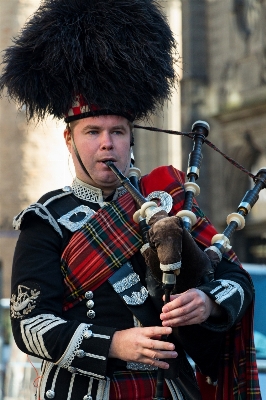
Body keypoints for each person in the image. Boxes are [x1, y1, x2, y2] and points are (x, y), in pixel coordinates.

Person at [0, 0, 261, 399]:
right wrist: (114, 343)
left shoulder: (170, 205)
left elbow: (237, 278)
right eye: (92, 132)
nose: (107, 143)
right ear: (69, 139)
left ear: (131, 139)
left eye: (118, 131)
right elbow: (29, 326)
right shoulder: (46, 220)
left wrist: (208, 301)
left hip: (171, 390)